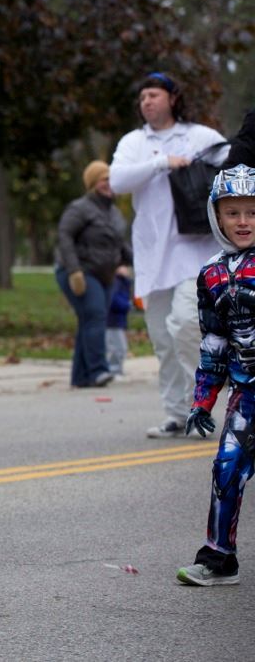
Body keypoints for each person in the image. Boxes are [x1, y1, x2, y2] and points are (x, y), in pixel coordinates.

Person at [109, 72, 227, 438]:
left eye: (154, 94)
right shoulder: (133, 142)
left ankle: (203, 405)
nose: (146, 101)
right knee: (162, 338)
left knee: (185, 324)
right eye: (142, 96)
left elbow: (234, 166)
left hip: (196, 253)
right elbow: (117, 181)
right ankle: (177, 414)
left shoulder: (200, 136)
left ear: (173, 99)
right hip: (152, 255)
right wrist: (162, 163)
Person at [175, 163, 255, 586]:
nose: (243, 222)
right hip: (248, 393)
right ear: (216, 215)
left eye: (253, 212)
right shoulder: (210, 274)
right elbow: (214, 344)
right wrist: (202, 400)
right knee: (227, 467)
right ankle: (220, 558)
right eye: (233, 212)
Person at [54, 160, 132, 388]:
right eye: (103, 179)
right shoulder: (80, 208)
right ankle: (99, 370)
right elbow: (64, 236)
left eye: (111, 179)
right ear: (92, 183)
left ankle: (81, 377)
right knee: (96, 315)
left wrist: (143, 265)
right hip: (80, 272)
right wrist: (74, 270)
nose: (109, 184)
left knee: (89, 320)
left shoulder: (115, 213)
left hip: (106, 276)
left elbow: (120, 246)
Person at [106, 270, 132, 378]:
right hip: (112, 321)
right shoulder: (115, 281)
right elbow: (113, 300)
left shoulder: (123, 282)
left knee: (120, 347)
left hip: (118, 321)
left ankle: (116, 369)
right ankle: (113, 370)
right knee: (117, 348)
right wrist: (128, 305)